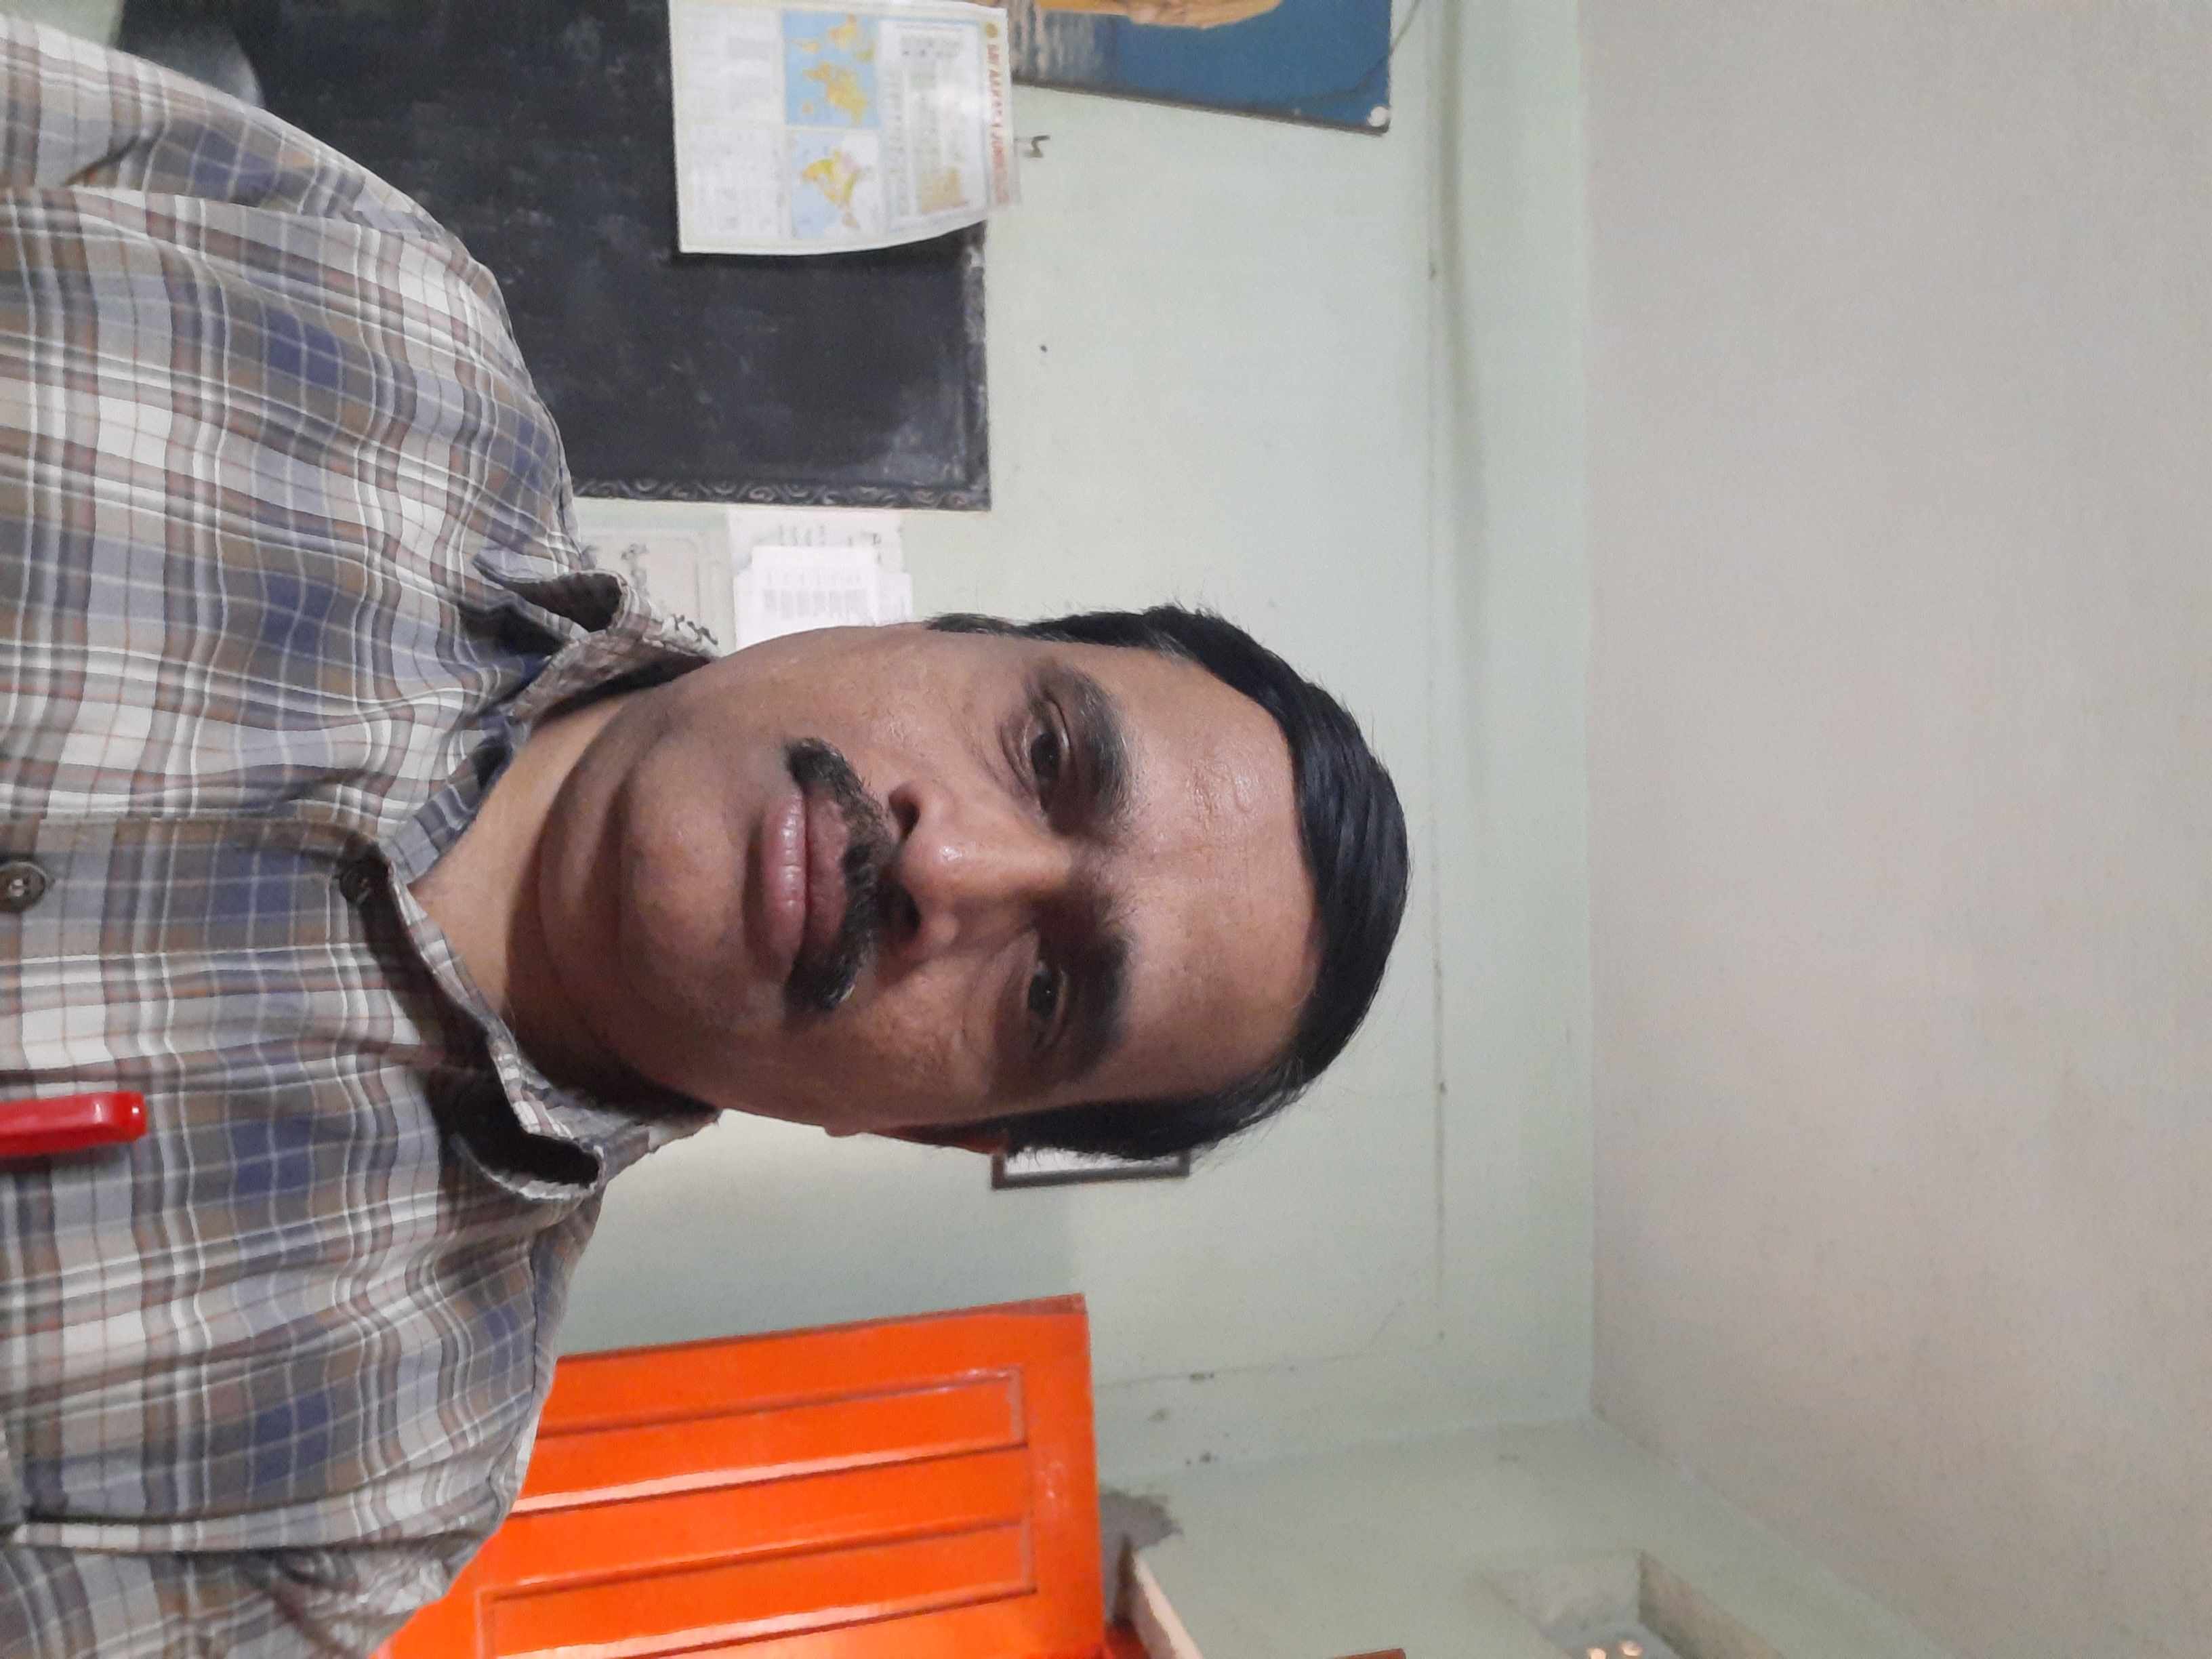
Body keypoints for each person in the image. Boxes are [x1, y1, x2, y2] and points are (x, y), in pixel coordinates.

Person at [0, 20, 1408, 1657]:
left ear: (935, 1133)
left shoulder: (362, 1476)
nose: (952, 872)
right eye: (1043, 755)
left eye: (1049, 992)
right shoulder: (358, 310)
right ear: (940, 630)